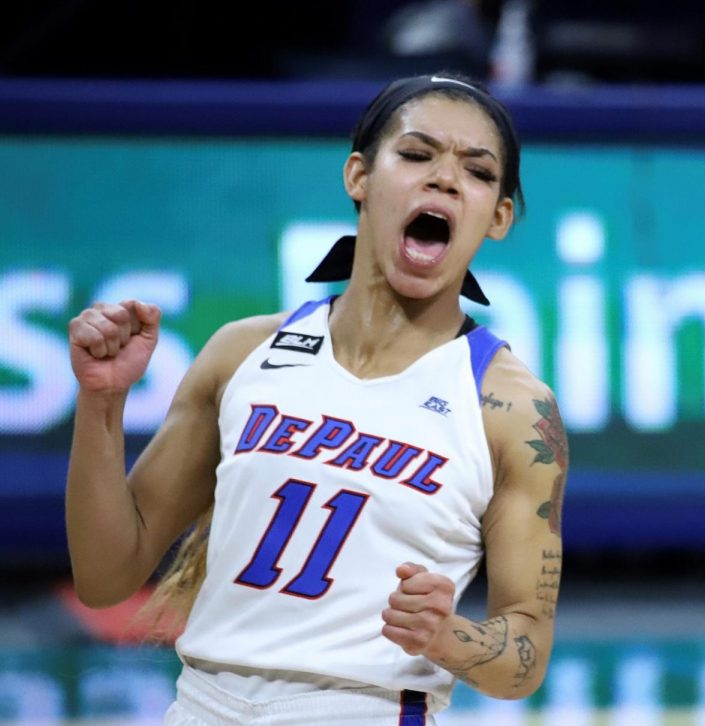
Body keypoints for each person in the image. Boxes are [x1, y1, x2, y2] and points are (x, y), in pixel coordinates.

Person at [66, 72, 567, 725]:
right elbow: (106, 577)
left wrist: (449, 637)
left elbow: (526, 651)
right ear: (358, 176)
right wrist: (101, 404)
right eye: (416, 155)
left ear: (498, 215)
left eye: (475, 171)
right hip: (201, 706)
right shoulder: (241, 352)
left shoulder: (513, 408)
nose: (443, 179)